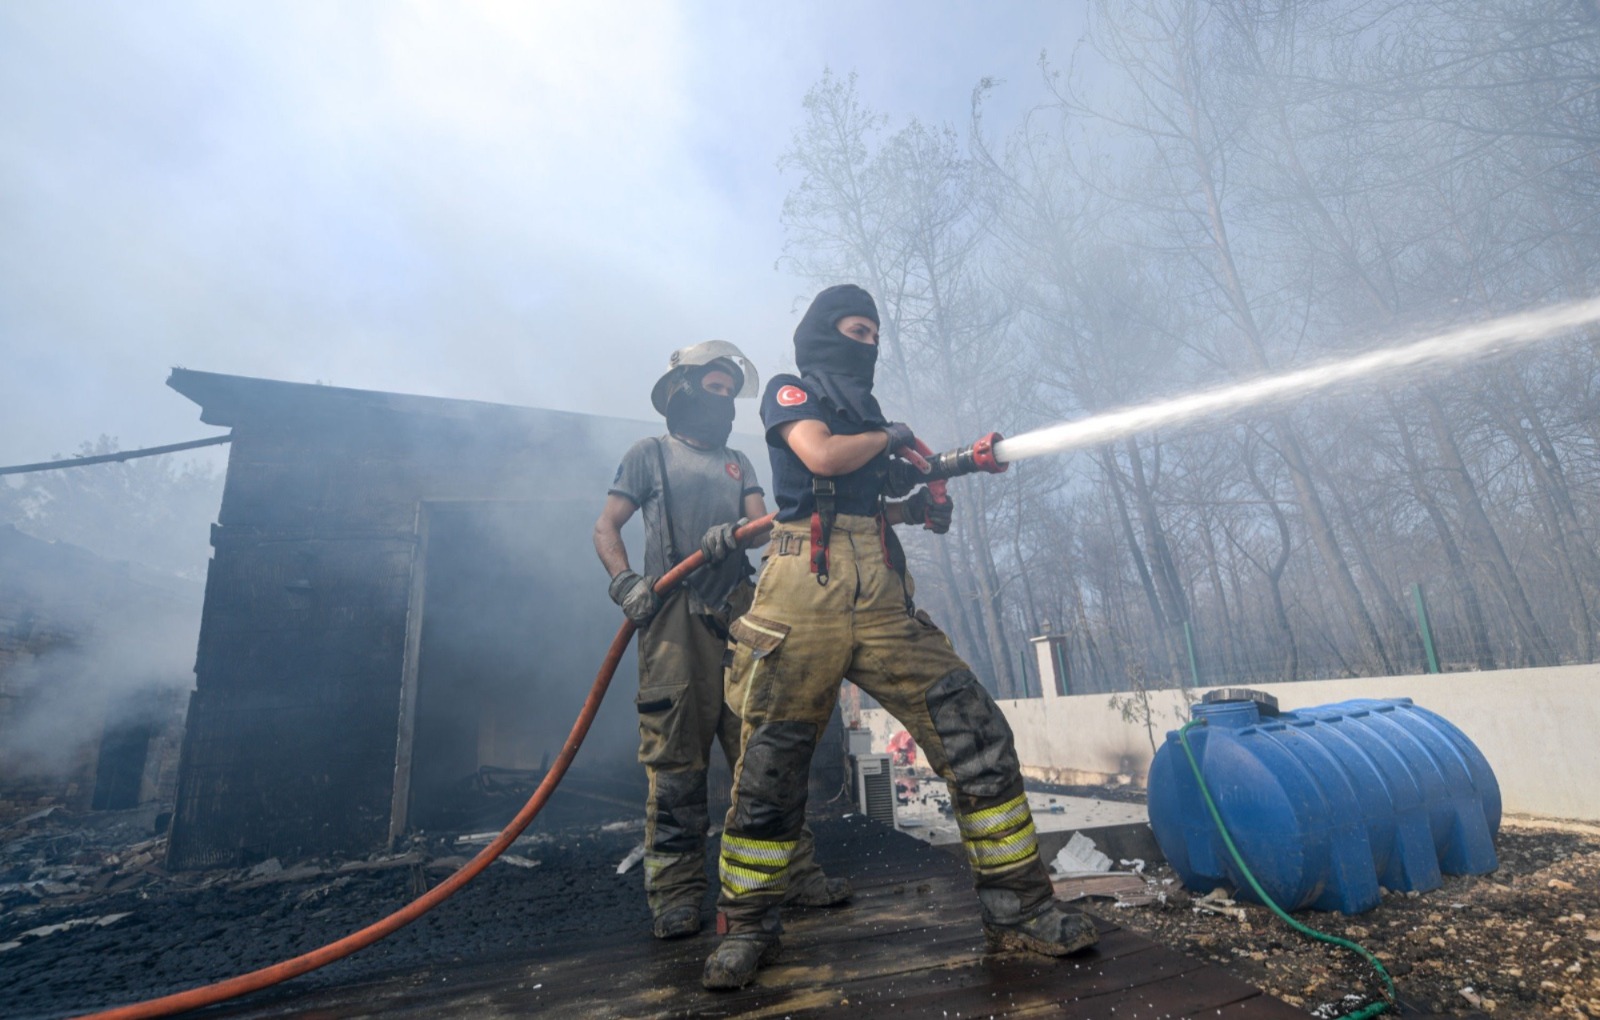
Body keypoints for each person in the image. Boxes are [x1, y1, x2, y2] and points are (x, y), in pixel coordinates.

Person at [701, 286, 1099, 989]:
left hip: (882, 595)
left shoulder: (872, 415)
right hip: (802, 595)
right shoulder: (791, 394)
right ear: (824, 334)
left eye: (876, 335)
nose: (870, 345)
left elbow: (875, 491)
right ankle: (747, 927)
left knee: (976, 735)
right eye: (857, 330)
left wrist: (929, 497)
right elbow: (821, 458)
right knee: (771, 771)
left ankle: (1021, 908)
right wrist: (893, 439)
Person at [594, 341, 851, 941]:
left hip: (739, 616)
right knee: (677, 765)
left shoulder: (740, 462)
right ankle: (677, 898)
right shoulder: (648, 455)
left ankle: (794, 874)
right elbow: (606, 525)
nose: (724, 402)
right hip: (672, 621)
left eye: (730, 393)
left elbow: (766, 526)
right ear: (681, 391)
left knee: (764, 758)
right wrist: (625, 581)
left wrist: (735, 531)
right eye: (714, 388)